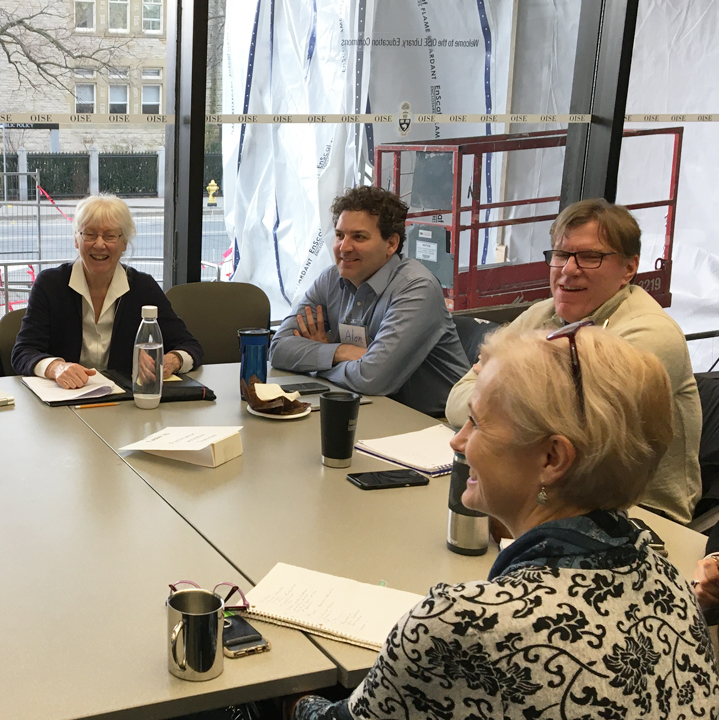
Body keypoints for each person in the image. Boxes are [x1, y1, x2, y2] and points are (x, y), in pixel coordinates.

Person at [290, 324, 718, 719]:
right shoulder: (673, 586)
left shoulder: (460, 623)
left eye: (477, 422)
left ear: (552, 458)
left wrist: (293, 699)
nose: (458, 441)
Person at [445, 199, 702, 525]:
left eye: (590, 257)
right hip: (547, 495)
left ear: (629, 268)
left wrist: (500, 394)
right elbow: (460, 399)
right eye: (562, 255)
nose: (568, 269)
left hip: (639, 516)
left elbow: (570, 437)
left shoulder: (649, 335)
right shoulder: (544, 314)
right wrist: (505, 405)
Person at [269, 186, 469, 416]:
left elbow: (371, 378)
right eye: (339, 235)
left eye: (359, 237)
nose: (344, 247)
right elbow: (278, 349)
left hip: (436, 424)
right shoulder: (330, 279)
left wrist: (314, 361)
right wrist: (339, 352)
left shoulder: (416, 287)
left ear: (391, 244)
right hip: (374, 409)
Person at [11, 194, 203, 388]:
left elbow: (190, 346)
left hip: (124, 404)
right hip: (65, 402)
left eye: (110, 236)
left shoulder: (143, 288)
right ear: (76, 240)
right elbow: (23, 352)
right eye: (90, 234)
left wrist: (172, 360)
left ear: (124, 244)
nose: (100, 244)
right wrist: (56, 367)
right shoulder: (50, 285)